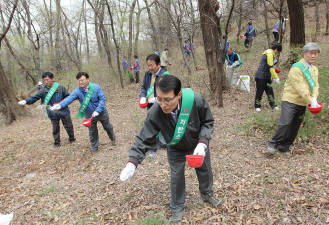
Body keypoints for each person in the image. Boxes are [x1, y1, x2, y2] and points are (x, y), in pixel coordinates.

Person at [120, 75, 222, 224]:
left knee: (205, 169)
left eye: (167, 99)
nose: (163, 104)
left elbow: (208, 121)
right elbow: (144, 137)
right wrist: (132, 162)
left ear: (179, 95)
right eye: (159, 99)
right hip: (175, 147)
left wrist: (203, 142)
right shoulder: (155, 111)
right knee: (176, 177)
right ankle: (177, 207)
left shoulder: (195, 100)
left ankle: (207, 194)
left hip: (197, 143)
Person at [267, 43, 321, 155]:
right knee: (286, 122)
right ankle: (273, 143)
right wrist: (311, 100)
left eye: (316, 54)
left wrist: (315, 97)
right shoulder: (296, 67)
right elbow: (299, 87)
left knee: (295, 125)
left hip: (303, 102)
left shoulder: (315, 69)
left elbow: (315, 85)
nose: (313, 56)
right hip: (290, 99)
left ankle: (284, 146)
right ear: (305, 53)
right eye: (311, 53)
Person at [50, 72, 116, 152]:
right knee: (92, 131)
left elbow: (102, 99)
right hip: (89, 115)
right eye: (79, 81)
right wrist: (60, 105)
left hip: (101, 112)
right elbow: (69, 98)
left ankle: (113, 139)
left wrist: (98, 110)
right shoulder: (78, 91)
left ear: (88, 79)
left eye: (82, 80)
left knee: (108, 127)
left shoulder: (96, 87)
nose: (80, 82)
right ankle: (94, 147)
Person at [18, 72, 75, 147]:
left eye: (47, 80)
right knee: (55, 128)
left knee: (68, 126)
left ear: (52, 79)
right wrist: (26, 101)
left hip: (63, 111)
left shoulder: (61, 88)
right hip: (52, 113)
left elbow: (68, 97)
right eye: (44, 80)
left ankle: (72, 139)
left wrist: (61, 104)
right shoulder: (43, 90)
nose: (46, 82)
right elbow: (34, 98)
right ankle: (57, 143)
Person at [254, 43, 282, 112]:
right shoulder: (269, 54)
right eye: (278, 51)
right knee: (259, 91)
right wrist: (276, 77)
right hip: (261, 76)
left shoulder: (270, 53)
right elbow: (270, 67)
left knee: (270, 91)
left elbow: (270, 66)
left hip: (267, 76)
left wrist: (275, 70)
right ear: (275, 49)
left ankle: (273, 105)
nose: (277, 53)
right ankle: (257, 106)